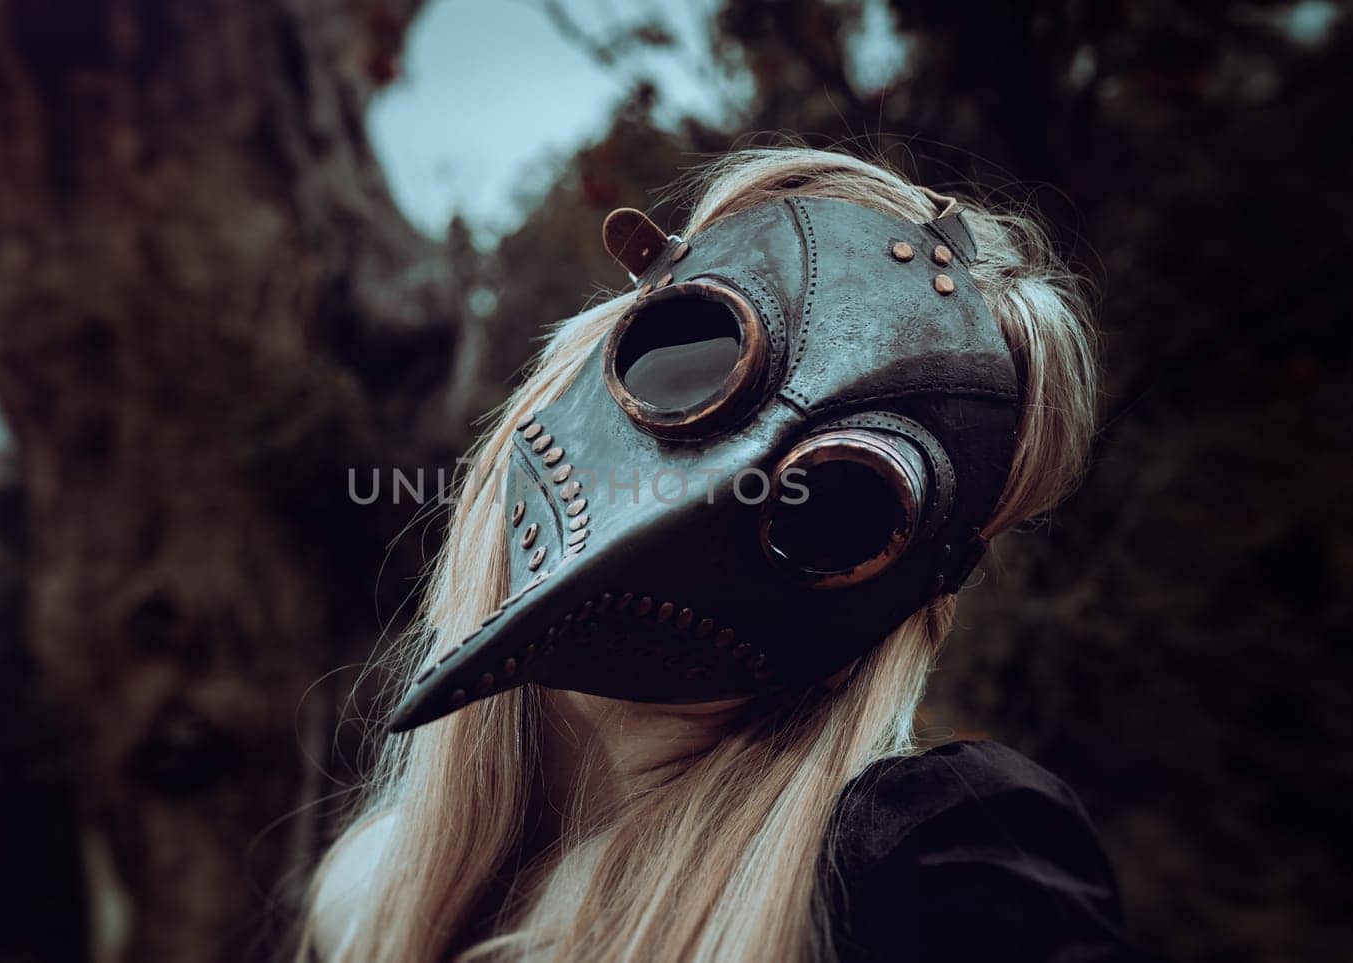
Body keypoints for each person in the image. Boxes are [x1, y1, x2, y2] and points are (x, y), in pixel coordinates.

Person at [302, 146, 1145, 962]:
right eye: (692, 359)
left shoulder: (935, 874)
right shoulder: (362, 896)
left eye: (841, 502)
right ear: (584, 361)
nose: (717, 487)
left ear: (912, 584)